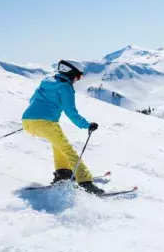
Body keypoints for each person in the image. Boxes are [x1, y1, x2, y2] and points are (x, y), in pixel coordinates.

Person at [22, 60, 103, 195]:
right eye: (79, 76)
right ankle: (86, 182)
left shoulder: (47, 81)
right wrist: (87, 125)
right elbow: (71, 112)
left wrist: (34, 119)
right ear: (72, 73)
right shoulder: (65, 87)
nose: (78, 79)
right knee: (68, 150)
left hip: (27, 121)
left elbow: (33, 100)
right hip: (45, 123)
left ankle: (63, 174)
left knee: (58, 146)